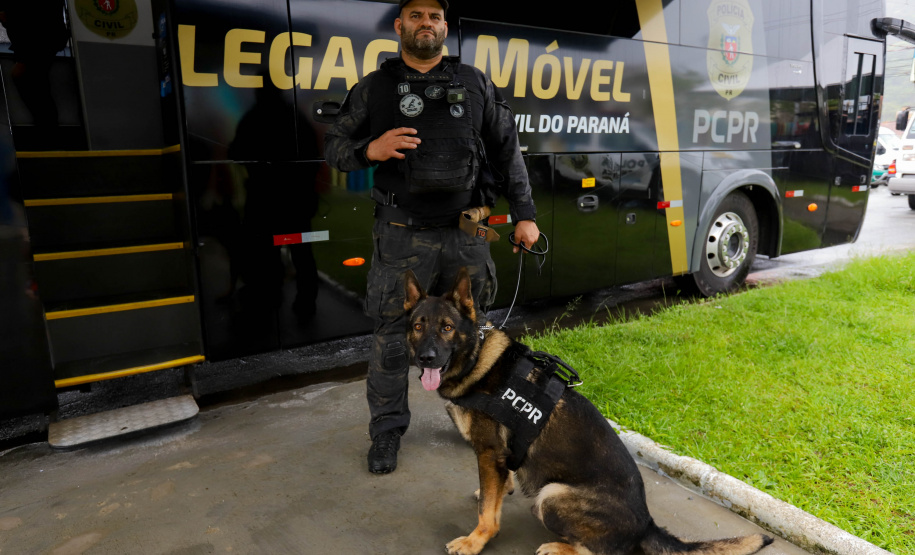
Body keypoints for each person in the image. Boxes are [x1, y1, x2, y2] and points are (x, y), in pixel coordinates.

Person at [324, 0, 540, 474]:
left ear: (445, 27)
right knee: (392, 340)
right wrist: (370, 150)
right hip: (403, 236)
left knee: (471, 333)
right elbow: (335, 148)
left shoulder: (475, 82)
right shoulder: (375, 87)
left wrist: (524, 213)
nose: (427, 24)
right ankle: (386, 433)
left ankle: (473, 417)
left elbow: (508, 150)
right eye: (417, 16)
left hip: (467, 234)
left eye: (435, 17)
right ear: (400, 26)